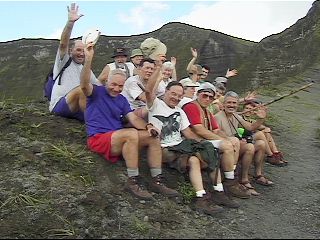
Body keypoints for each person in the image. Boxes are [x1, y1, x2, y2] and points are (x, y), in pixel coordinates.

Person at [80, 43, 178, 200]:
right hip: (99, 139)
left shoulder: (121, 100)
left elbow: (133, 118)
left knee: (153, 136)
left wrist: (148, 126)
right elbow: (84, 83)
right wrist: (88, 59)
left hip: (118, 138)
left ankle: (157, 180)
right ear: (106, 82)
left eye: (120, 86)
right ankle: (133, 180)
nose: (117, 89)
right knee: (131, 133)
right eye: (114, 84)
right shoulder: (96, 92)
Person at [182, 83, 251, 205]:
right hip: (194, 141)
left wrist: (226, 138)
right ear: (198, 94)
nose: (207, 99)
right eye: (205, 95)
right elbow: (198, 129)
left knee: (233, 141)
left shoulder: (207, 111)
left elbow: (216, 129)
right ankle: (229, 181)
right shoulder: (191, 107)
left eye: (211, 97)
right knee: (226, 145)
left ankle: (230, 177)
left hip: (205, 140)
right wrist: (223, 141)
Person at [49, 3, 102, 122]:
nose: (81, 53)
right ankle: (94, 124)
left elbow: (98, 87)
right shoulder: (63, 61)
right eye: (78, 50)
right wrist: (70, 22)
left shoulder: (85, 68)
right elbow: (63, 43)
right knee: (82, 90)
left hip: (77, 108)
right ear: (70, 50)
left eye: (84, 50)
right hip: (60, 105)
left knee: (94, 89)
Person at [215, 91, 274, 196]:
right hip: (226, 150)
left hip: (236, 145)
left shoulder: (235, 116)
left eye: (234, 103)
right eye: (229, 103)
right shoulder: (218, 117)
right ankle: (244, 179)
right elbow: (218, 135)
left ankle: (258, 175)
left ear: (238, 105)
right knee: (250, 147)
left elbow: (250, 127)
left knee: (260, 143)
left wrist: (261, 119)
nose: (231, 105)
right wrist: (236, 140)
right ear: (223, 104)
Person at [242, 101, 287, 166]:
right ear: (243, 109)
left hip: (249, 138)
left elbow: (261, 126)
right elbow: (250, 126)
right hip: (243, 139)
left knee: (266, 132)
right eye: (247, 108)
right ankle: (270, 155)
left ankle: (276, 153)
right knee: (260, 134)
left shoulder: (251, 120)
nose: (248, 110)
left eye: (250, 109)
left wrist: (265, 127)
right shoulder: (240, 118)